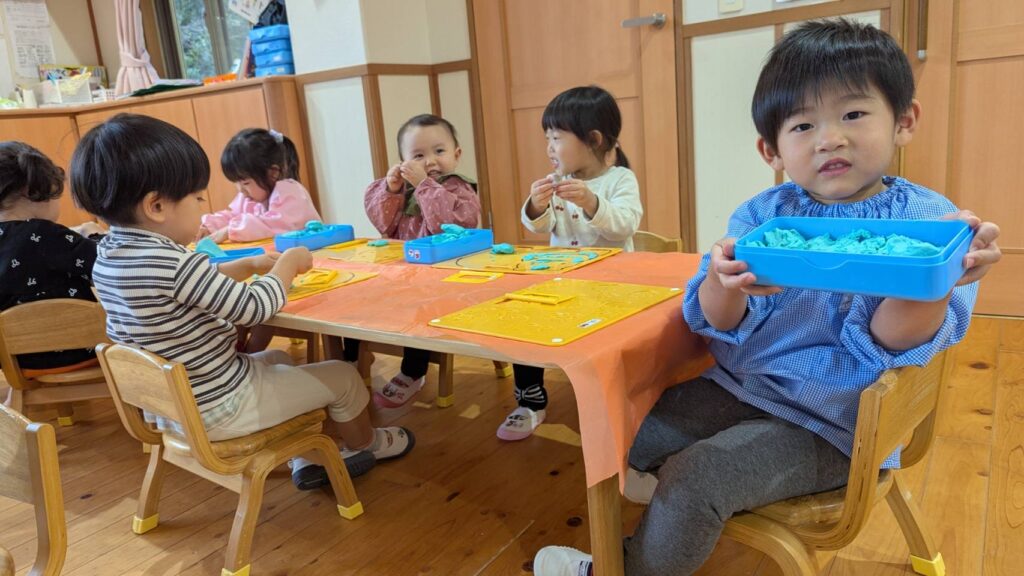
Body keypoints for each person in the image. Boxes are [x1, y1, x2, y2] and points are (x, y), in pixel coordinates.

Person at [533, 19, 1002, 575]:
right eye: (803, 125)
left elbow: (889, 340)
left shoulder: (928, 222)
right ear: (771, 150)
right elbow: (719, 322)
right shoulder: (763, 215)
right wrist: (722, 283)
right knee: (627, 432)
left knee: (697, 477)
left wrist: (933, 278)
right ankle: (676, 512)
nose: (830, 138)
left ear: (904, 121)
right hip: (744, 386)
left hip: (835, 423)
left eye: (853, 114)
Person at [71, 114, 416, 491]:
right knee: (344, 377)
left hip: (171, 409)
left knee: (280, 359)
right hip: (220, 406)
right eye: (197, 197)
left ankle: (304, 453)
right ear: (156, 206)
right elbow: (254, 307)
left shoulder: (110, 257)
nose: (202, 206)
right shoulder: (174, 263)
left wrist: (248, 264)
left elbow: (192, 283)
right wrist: (286, 265)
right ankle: (366, 445)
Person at [506, 85, 642, 441]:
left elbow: (626, 224)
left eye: (556, 138)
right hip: (563, 284)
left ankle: (612, 397)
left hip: (612, 290)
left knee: (606, 345)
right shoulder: (559, 182)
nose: (549, 148)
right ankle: (530, 399)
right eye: (547, 139)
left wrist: (591, 202)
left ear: (593, 139)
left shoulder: (620, 179)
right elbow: (538, 226)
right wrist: (535, 205)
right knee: (522, 319)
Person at [363, 113, 481, 408]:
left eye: (439, 151)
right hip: (407, 275)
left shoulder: (460, 189)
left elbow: (445, 226)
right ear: (403, 161)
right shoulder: (403, 191)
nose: (430, 161)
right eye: (418, 155)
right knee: (359, 296)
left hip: (450, 278)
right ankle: (351, 360)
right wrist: (392, 188)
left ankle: (412, 371)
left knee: (419, 306)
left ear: (456, 154)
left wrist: (425, 186)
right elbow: (383, 224)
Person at [0, 141, 105, 375]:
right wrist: (93, 235)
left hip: (15, 361)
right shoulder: (45, 234)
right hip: (77, 350)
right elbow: (108, 265)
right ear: (33, 190)